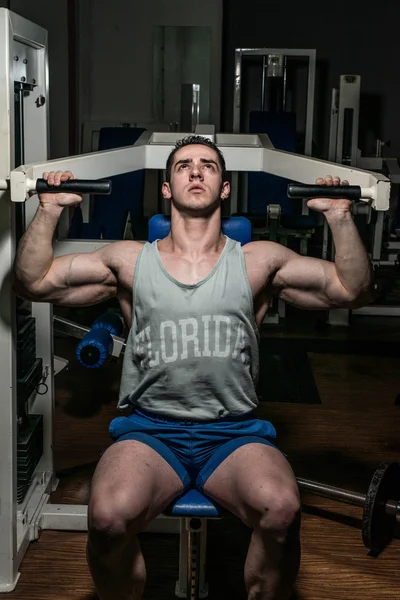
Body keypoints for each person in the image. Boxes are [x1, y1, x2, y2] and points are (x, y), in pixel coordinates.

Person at [13, 135, 373, 600]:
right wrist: (49, 210)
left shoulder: (256, 261)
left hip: (233, 434)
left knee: (282, 509)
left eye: (208, 165)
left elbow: (352, 290)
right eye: (184, 166)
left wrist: (339, 217)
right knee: (105, 518)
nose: (197, 171)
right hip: (150, 432)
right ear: (167, 188)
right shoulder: (130, 260)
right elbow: (32, 282)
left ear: (225, 188)